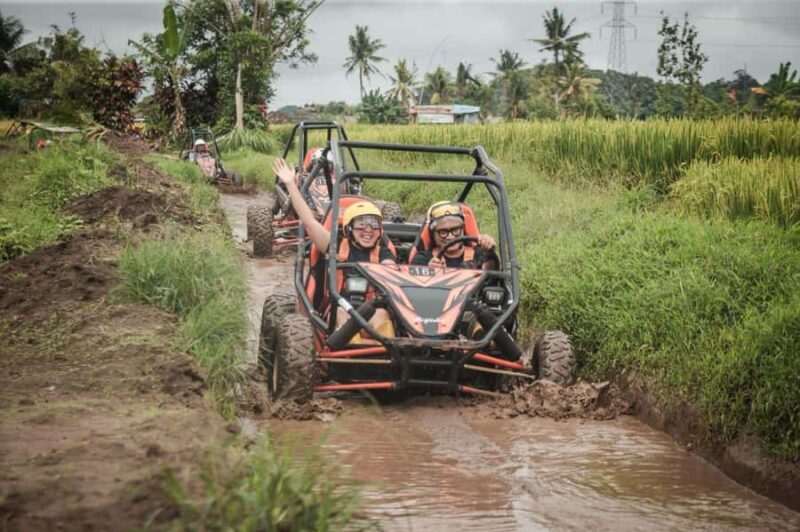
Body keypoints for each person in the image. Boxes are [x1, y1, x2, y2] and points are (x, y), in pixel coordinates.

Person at [272, 157, 395, 338]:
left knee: (383, 317)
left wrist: (389, 271)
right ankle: (351, 359)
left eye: (373, 225)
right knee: (344, 317)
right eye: (361, 224)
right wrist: (291, 184)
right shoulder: (335, 246)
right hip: (340, 309)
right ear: (349, 229)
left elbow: (392, 272)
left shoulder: (383, 250)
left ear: (380, 230)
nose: (368, 230)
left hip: (373, 308)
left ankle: (390, 357)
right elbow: (309, 222)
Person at [411, 201, 498, 270]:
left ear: (463, 229)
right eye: (443, 232)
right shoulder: (423, 259)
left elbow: (493, 279)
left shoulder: (479, 254)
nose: (450, 237)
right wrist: (429, 272)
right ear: (433, 234)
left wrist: (488, 247)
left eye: (455, 230)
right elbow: (414, 285)